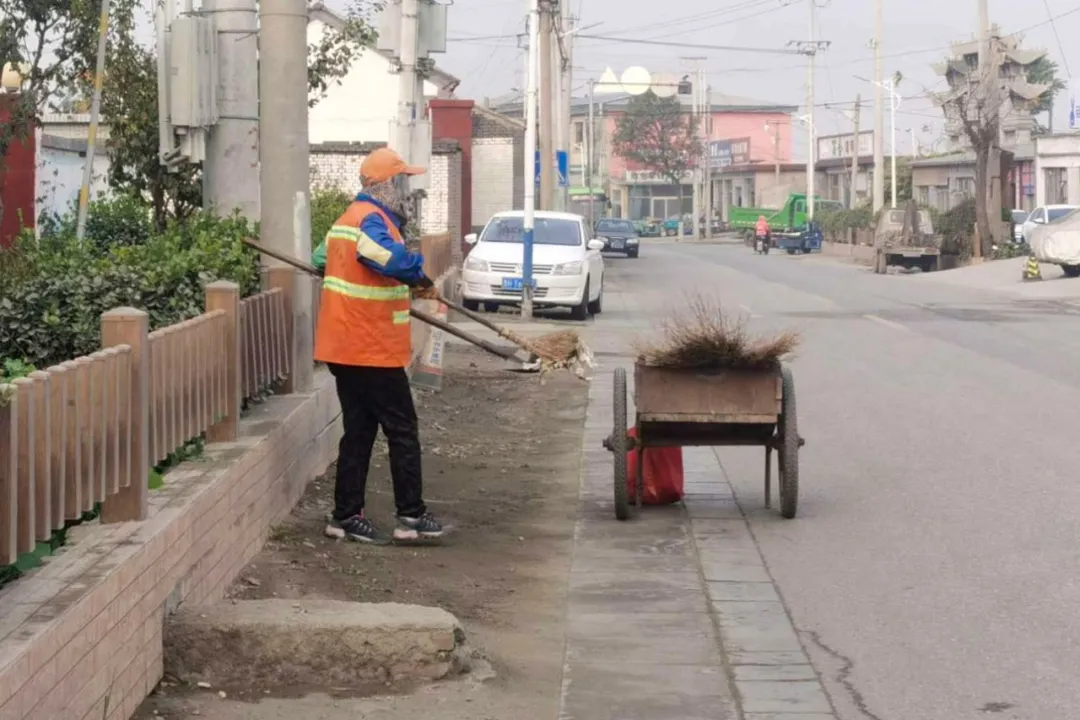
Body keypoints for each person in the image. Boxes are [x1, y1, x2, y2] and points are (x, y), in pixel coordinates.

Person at [311, 147, 443, 545]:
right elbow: (386, 259)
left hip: (344, 348)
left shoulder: (345, 221)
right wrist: (417, 274)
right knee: (402, 429)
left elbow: (320, 259)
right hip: (369, 348)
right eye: (403, 182)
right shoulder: (372, 220)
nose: (407, 191)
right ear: (385, 185)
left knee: (360, 430)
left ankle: (346, 515)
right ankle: (411, 516)